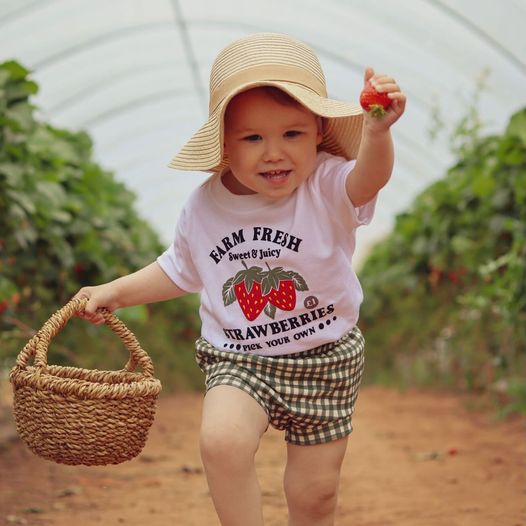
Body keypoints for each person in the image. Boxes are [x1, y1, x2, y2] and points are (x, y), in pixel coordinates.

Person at [75, 32, 406, 526]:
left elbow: (369, 180)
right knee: (221, 441)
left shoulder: (329, 182)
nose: (274, 153)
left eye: (291, 134)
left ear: (318, 132)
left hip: (326, 358)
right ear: (225, 144)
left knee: (314, 494)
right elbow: (180, 268)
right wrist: (115, 292)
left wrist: (378, 135)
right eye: (253, 138)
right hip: (238, 357)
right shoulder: (206, 205)